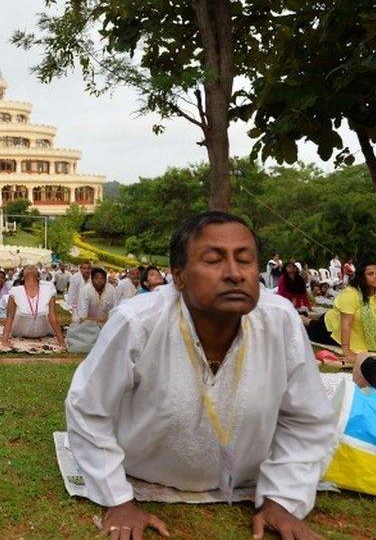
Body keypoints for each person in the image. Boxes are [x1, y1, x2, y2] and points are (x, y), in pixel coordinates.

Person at [65, 212, 335, 539]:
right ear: (178, 277)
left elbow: (307, 419)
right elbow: (87, 407)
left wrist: (283, 499)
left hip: (245, 478)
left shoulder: (279, 319)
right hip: (145, 473)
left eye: (246, 260)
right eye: (213, 260)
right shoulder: (138, 322)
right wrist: (117, 498)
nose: (235, 274)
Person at [305, 260, 376, 361]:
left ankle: (305, 318)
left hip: (355, 329)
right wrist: (347, 351)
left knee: (311, 322)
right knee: (307, 331)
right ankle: (301, 319)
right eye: (370, 274)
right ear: (361, 277)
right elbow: (346, 324)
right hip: (332, 327)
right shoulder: (351, 293)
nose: (375, 277)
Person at [1, 265, 65, 346]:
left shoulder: (48, 290)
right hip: (20, 331)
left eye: (33, 267)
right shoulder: (15, 291)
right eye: (27, 267)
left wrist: (61, 340)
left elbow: (52, 316)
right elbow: (10, 317)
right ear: (22, 277)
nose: (30, 267)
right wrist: (4, 340)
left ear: (38, 276)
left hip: (43, 331)